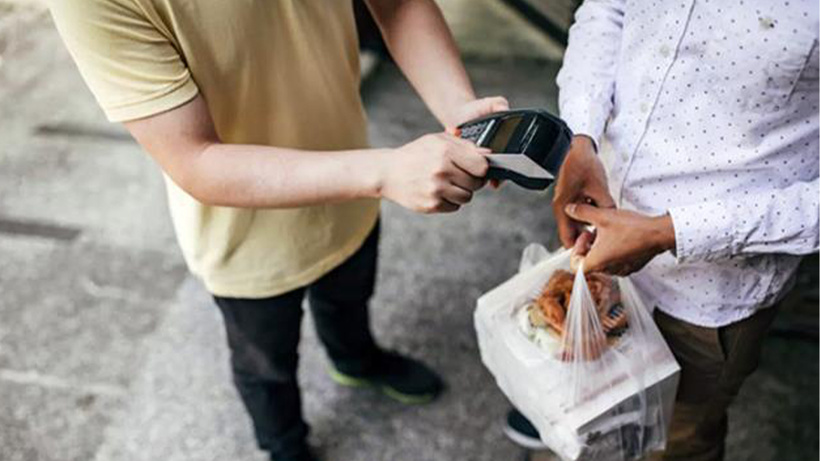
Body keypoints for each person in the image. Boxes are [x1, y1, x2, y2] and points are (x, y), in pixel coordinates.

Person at [46, 1, 509, 460]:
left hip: (354, 187)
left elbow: (399, 4)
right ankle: (284, 445)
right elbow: (193, 158)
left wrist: (460, 112)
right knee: (265, 365)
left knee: (350, 298)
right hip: (245, 236)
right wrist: (385, 172)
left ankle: (356, 361)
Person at [504, 1, 819, 460]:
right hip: (596, 231)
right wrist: (580, 133)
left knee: (676, 441)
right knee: (576, 408)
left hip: (709, 291)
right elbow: (607, 10)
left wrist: (671, 233)